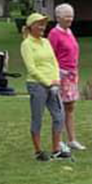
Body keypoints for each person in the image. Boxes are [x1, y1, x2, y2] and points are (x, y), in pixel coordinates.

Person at [20, 13, 73, 161]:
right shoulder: (27, 44)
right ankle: (38, 151)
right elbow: (31, 69)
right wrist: (47, 82)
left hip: (53, 84)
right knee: (37, 117)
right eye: (39, 24)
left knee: (59, 116)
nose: (42, 27)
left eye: (43, 24)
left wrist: (56, 80)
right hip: (37, 84)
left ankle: (56, 148)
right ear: (31, 27)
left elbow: (54, 62)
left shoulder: (46, 42)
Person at [48, 3, 85, 151]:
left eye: (71, 15)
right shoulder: (54, 34)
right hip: (60, 74)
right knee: (60, 107)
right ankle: (60, 140)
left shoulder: (69, 32)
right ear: (58, 17)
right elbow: (51, 56)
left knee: (70, 107)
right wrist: (56, 75)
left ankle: (72, 139)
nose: (70, 18)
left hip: (71, 74)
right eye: (66, 16)